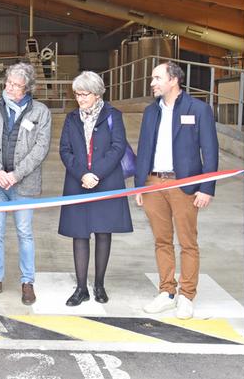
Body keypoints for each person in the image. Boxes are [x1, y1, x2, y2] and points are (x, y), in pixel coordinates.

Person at [135, 61, 218, 320]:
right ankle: (167, 292)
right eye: (152, 78)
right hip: (153, 184)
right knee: (161, 240)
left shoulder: (198, 109)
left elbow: (211, 151)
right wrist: (140, 185)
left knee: (187, 242)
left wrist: (207, 188)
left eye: (157, 78)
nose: (152, 83)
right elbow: (143, 149)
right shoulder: (151, 112)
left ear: (174, 80)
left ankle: (186, 296)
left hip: (184, 185)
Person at [0, 62, 51, 306]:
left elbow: (41, 148)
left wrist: (16, 174)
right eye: (8, 82)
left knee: (25, 233)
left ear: (28, 88)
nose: (9, 88)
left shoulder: (40, 112)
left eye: (15, 85)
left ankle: (27, 282)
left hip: (24, 184)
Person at [59, 71, 133, 306]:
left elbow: (118, 147)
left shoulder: (113, 116)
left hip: (106, 181)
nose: (80, 99)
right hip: (77, 182)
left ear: (98, 94)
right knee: (79, 233)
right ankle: (81, 288)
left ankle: (99, 285)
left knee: (103, 232)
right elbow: (65, 150)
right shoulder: (71, 118)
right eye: (77, 94)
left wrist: (96, 174)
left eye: (85, 94)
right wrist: (82, 173)